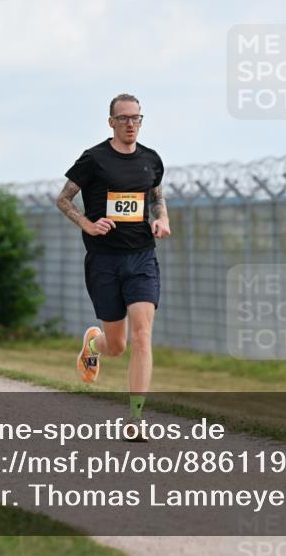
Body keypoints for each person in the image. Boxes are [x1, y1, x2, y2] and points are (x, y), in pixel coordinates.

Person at [56, 94, 170, 441]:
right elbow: (63, 199)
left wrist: (162, 218)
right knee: (117, 346)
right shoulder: (94, 159)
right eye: (123, 119)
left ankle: (135, 420)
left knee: (142, 335)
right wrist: (88, 224)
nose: (131, 124)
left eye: (136, 118)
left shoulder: (150, 159)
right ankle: (94, 344)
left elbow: (156, 196)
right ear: (111, 123)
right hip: (104, 260)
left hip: (141, 257)